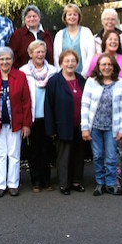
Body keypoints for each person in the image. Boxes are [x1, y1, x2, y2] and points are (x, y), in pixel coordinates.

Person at [0, 47, 32, 197]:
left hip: (15, 122)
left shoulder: (20, 76)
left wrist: (26, 124)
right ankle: (1, 184)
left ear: (12, 60)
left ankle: (13, 184)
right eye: (2, 59)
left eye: (8, 58)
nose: (5, 62)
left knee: (14, 155)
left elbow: (26, 102)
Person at [81, 54, 122, 196]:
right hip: (94, 126)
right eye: (103, 64)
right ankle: (100, 183)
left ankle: (111, 183)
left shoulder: (120, 82)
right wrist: (84, 128)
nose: (106, 67)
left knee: (111, 156)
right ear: (99, 67)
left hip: (112, 127)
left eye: (109, 64)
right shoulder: (91, 82)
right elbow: (85, 105)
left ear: (114, 67)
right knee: (97, 156)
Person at [44, 50, 87, 195]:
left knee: (78, 154)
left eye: (73, 61)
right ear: (61, 63)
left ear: (77, 63)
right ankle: (64, 184)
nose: (70, 64)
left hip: (80, 125)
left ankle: (77, 181)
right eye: (67, 61)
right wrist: (51, 129)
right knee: (64, 155)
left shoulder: (81, 80)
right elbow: (48, 106)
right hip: (62, 125)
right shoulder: (54, 81)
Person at [20, 40, 57, 192]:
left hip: (48, 117)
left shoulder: (53, 71)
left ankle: (47, 180)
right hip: (32, 117)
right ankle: (36, 181)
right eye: (37, 52)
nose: (40, 54)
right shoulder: (23, 71)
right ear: (30, 54)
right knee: (33, 150)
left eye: (42, 51)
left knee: (47, 149)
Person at [53, 4, 95, 77]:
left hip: (83, 76)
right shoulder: (59, 35)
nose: (72, 17)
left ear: (79, 17)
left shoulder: (86, 32)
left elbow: (91, 55)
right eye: (69, 15)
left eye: (75, 15)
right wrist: (61, 75)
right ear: (65, 17)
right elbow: (56, 57)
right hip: (64, 77)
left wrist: (83, 75)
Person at [10, 5, 54, 69]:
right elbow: (13, 56)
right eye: (29, 17)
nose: (32, 19)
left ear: (39, 17)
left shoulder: (46, 34)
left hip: (46, 73)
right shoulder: (17, 35)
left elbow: (51, 55)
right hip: (25, 73)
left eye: (34, 16)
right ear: (24, 19)